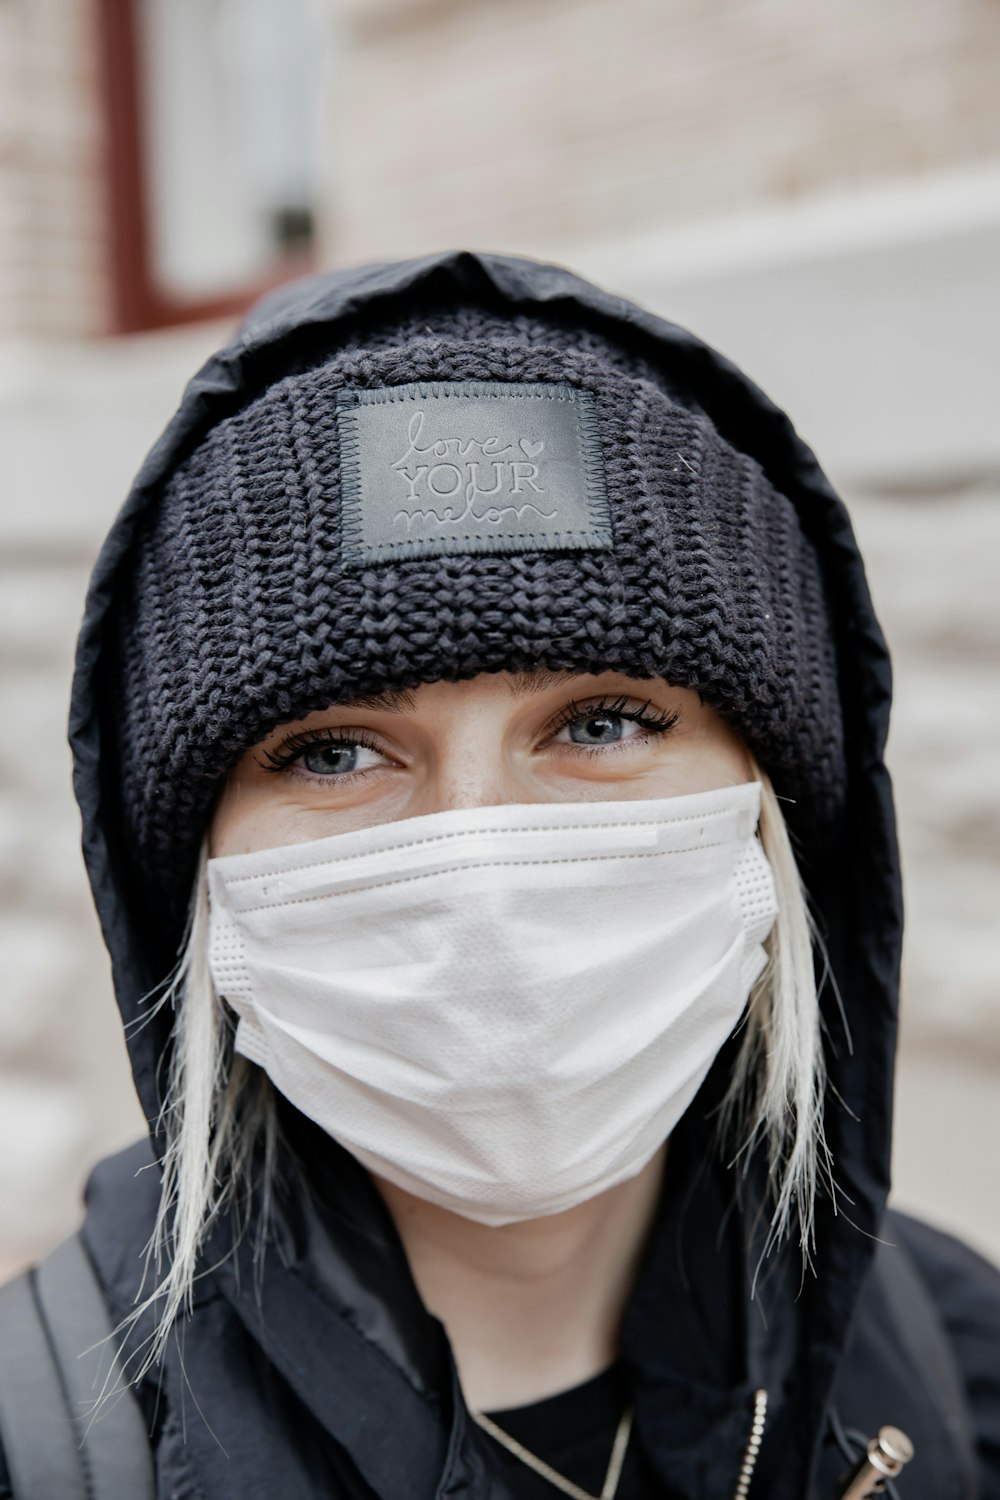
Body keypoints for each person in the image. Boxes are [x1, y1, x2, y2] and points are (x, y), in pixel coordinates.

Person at [0, 250, 997, 1499]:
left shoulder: (955, 1367)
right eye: (331, 750)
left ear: (776, 808)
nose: (478, 863)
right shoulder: (43, 1449)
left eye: (602, 724)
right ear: (188, 870)